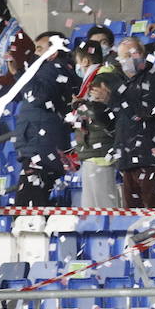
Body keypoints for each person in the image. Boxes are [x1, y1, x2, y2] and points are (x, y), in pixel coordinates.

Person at [113, 37, 155, 208]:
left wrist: (111, 99)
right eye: (125, 55)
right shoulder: (120, 82)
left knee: (154, 219)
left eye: (134, 53)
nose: (131, 58)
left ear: (143, 54)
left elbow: (145, 111)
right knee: (132, 220)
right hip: (129, 161)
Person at [14, 33, 74, 206]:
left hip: (42, 147)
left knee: (29, 207)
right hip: (36, 145)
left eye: (39, 49)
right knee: (29, 204)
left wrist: (20, 72)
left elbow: (39, 97)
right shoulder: (44, 71)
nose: (35, 53)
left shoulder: (55, 68)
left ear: (54, 52)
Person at [70, 40, 120, 209]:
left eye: (77, 60)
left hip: (101, 152)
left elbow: (99, 113)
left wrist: (78, 105)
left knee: (103, 206)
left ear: (84, 61)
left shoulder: (101, 78)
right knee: (92, 208)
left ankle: (108, 235)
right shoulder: (94, 79)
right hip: (92, 150)